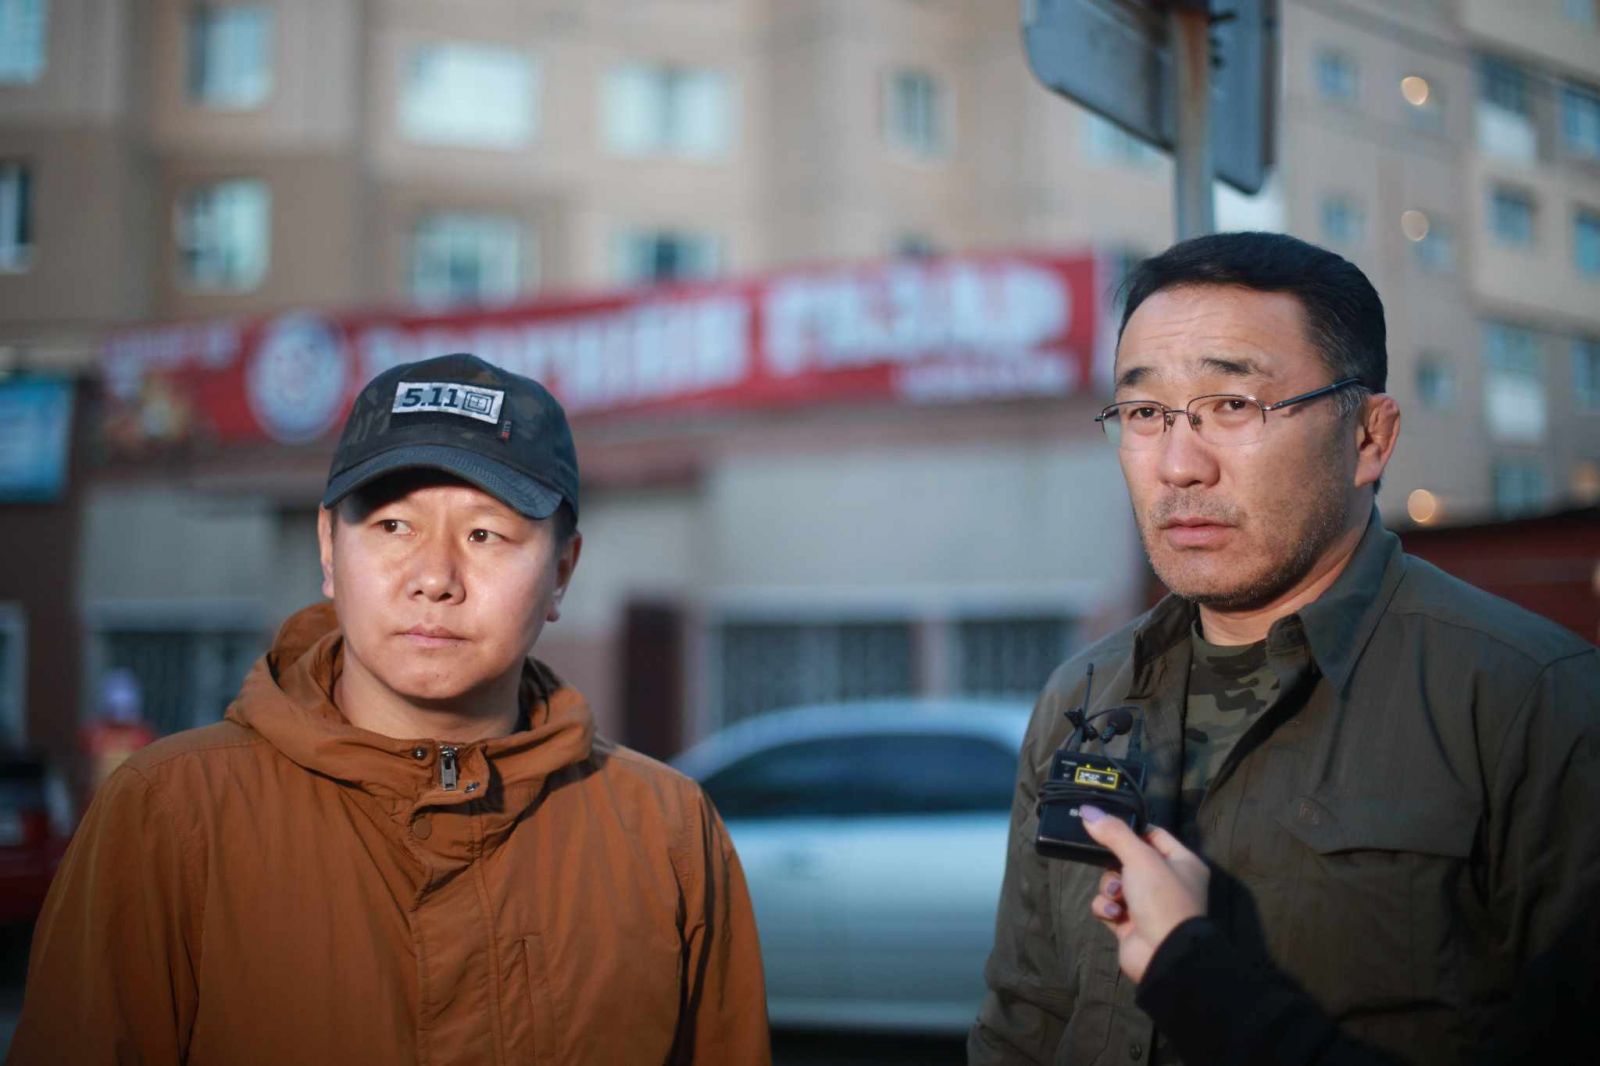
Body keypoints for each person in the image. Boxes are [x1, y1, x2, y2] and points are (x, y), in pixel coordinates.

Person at [10, 353, 771, 1065]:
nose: (434, 578)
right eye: (393, 526)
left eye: (485, 533)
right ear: (328, 548)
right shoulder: (168, 815)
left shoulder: (665, 832)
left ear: (561, 572)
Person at [968, 232, 1600, 1065]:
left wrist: (1214, 994)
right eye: (1145, 413)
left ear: (1369, 438)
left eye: (1234, 405)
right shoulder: (1083, 694)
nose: (1178, 466)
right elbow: (1024, 1020)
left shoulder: (1533, 701)